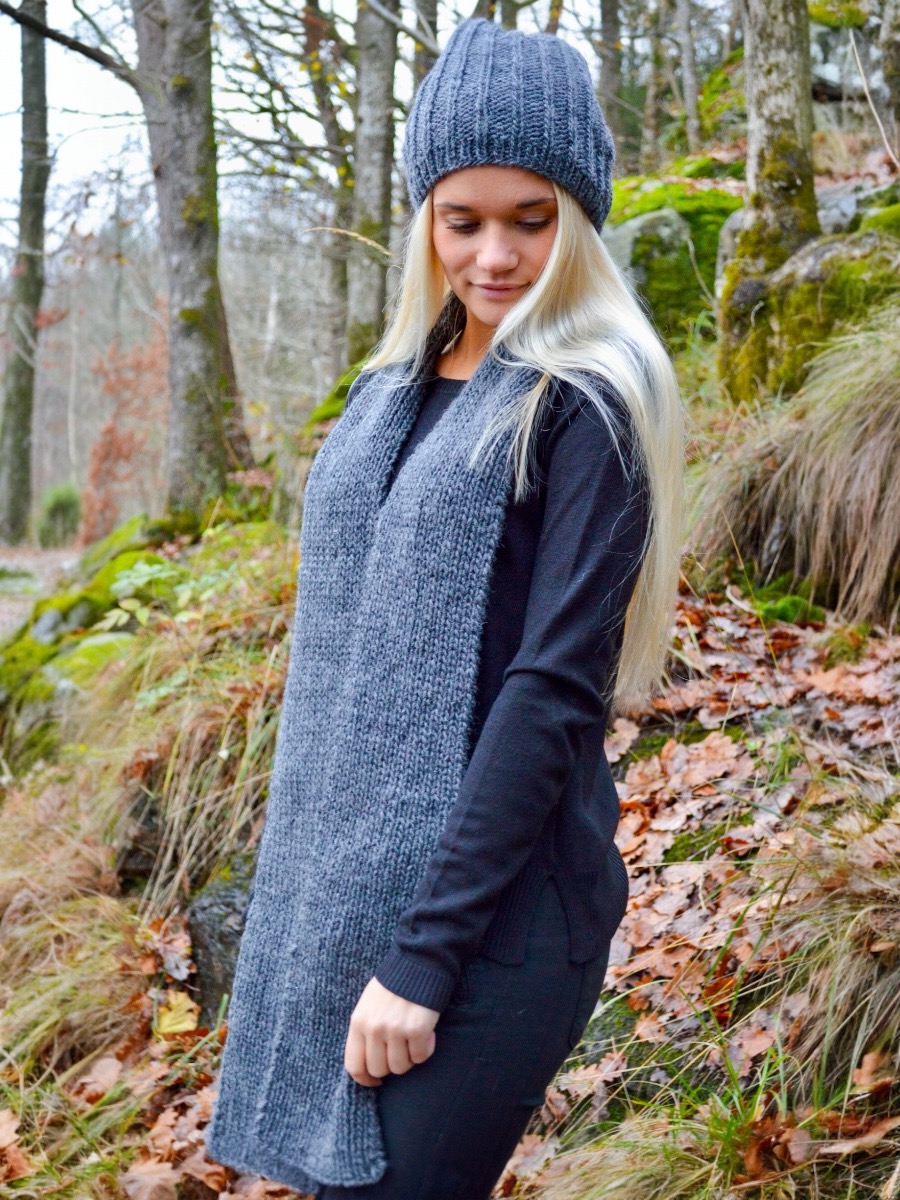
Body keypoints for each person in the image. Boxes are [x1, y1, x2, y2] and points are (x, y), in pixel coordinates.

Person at [205, 16, 684, 1200]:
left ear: (581, 219)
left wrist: (422, 961)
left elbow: (552, 693)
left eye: (533, 218)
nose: (495, 255)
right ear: (425, 217)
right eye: (461, 219)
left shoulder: (589, 399)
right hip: (356, 901)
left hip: (500, 921)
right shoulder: (391, 391)